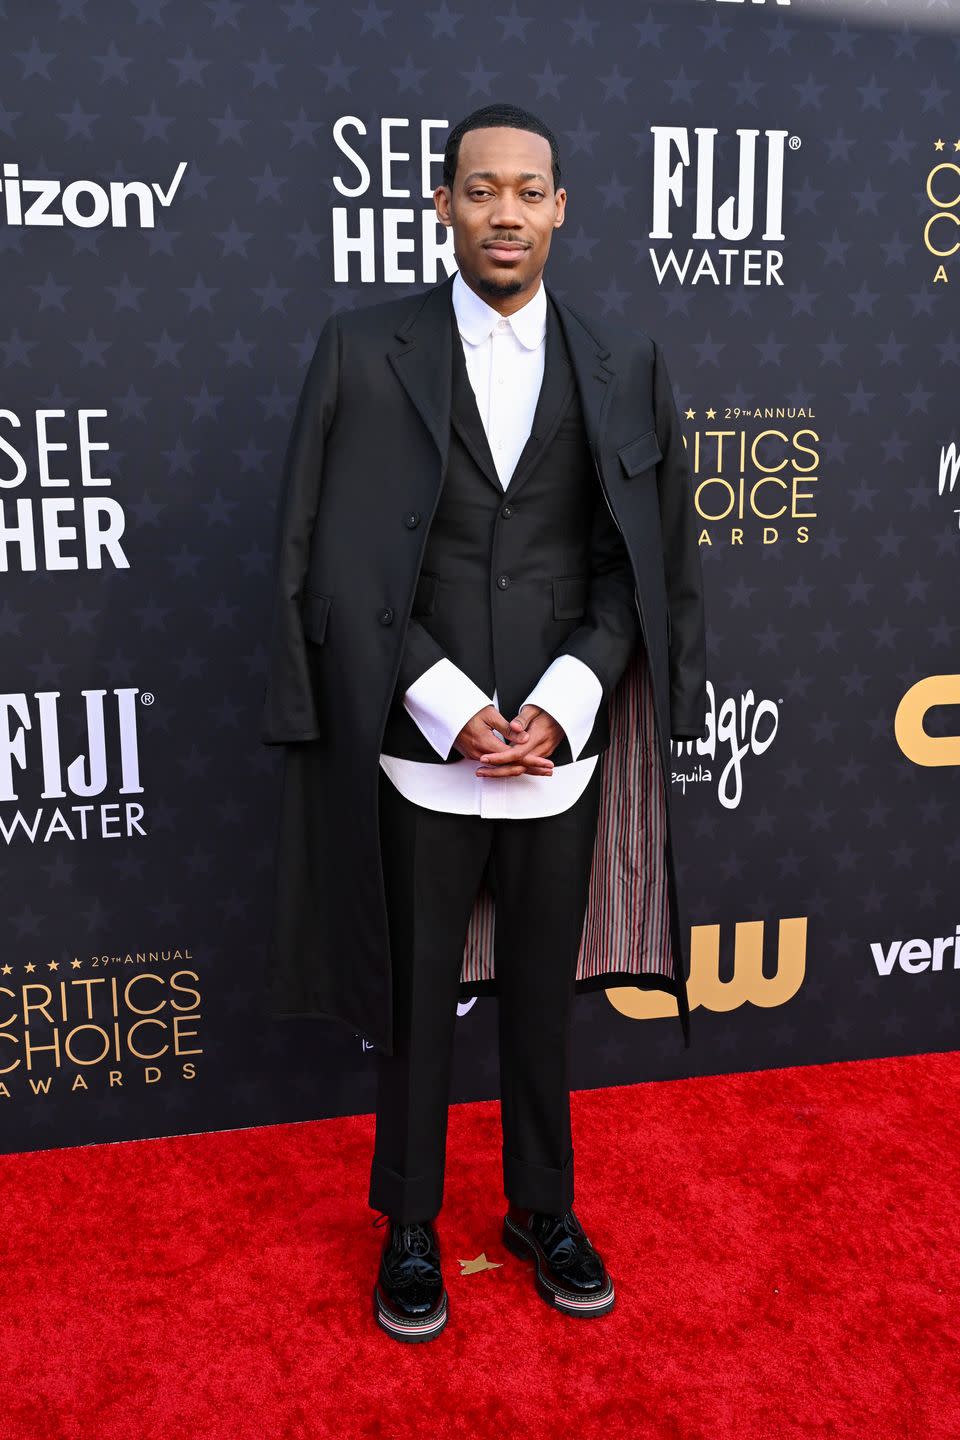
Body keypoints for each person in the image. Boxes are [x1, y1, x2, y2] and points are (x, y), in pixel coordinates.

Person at [260, 103, 707, 1343]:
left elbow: (638, 570)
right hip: (421, 752)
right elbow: (337, 566)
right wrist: (451, 709)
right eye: (480, 189)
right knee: (411, 1004)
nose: (504, 210)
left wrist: (564, 707)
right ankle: (408, 1223)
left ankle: (539, 1208)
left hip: (560, 757)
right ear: (443, 205)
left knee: (541, 1008)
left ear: (562, 208)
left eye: (529, 190)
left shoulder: (627, 360)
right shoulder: (361, 351)